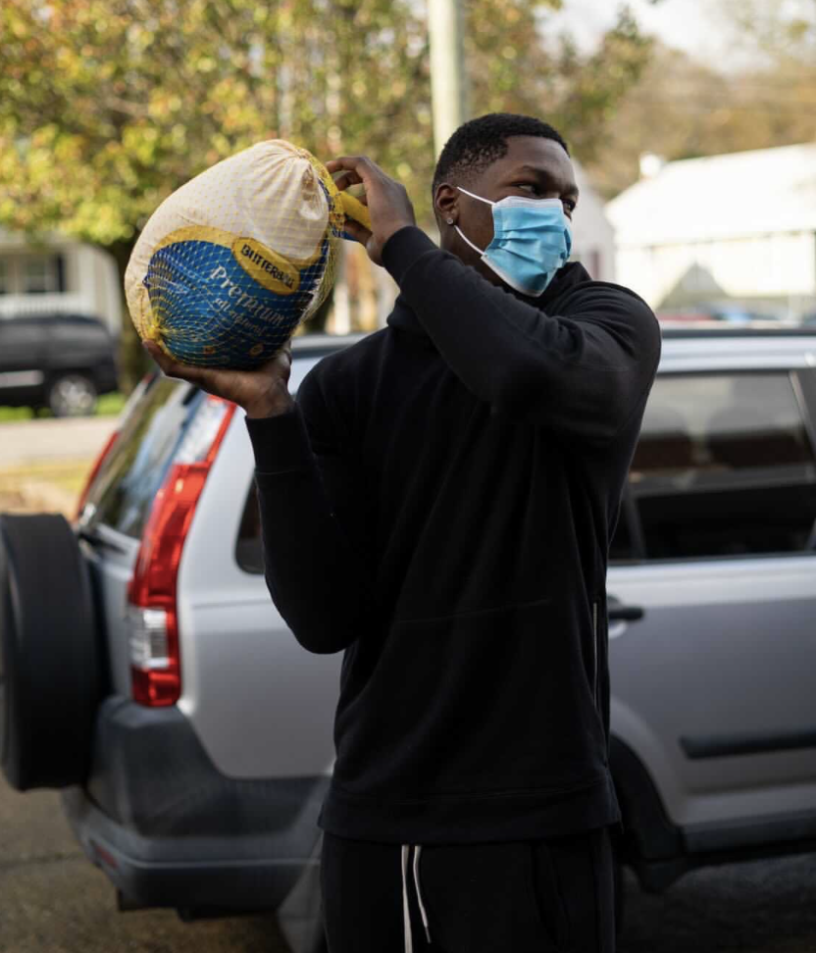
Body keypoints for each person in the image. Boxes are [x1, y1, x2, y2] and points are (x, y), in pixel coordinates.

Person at [146, 112, 661, 953]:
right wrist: (271, 414)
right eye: (531, 190)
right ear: (452, 204)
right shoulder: (349, 387)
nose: (556, 217)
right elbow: (323, 616)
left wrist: (403, 251)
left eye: (567, 201)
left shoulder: (604, 327)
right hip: (380, 816)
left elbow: (521, 373)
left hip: (541, 810)